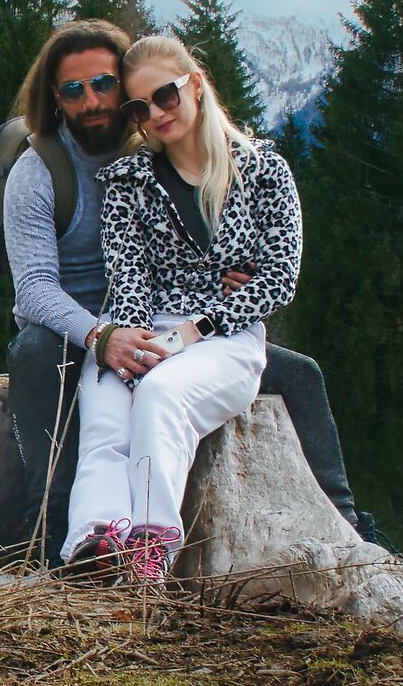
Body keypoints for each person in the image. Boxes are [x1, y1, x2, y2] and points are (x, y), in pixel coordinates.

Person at [1, 21, 370, 567]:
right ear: (54, 99)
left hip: (189, 327)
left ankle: (349, 528)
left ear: (190, 85)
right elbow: (36, 289)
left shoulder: (205, 156)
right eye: (73, 90)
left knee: (299, 375)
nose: (94, 100)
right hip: (81, 327)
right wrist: (108, 337)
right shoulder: (43, 172)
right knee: (57, 372)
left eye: (106, 85)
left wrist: (222, 294)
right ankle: (56, 533)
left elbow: (275, 272)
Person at [61, 32, 305, 582]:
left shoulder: (264, 172)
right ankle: (97, 545)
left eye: (165, 96)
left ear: (195, 85)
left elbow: (279, 278)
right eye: (138, 107)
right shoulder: (128, 183)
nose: (155, 114)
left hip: (227, 339)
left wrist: (207, 323)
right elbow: (130, 276)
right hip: (150, 327)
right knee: (105, 400)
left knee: (162, 395)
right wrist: (135, 341)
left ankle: (152, 548)